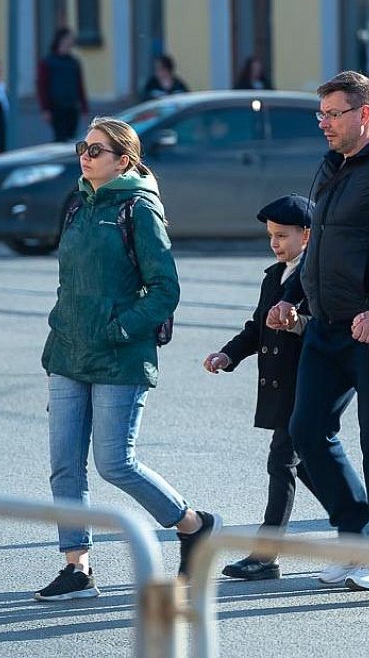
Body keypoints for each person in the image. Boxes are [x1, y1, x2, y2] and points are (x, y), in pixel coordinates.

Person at [35, 117, 220, 601]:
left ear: (124, 161)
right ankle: (77, 567)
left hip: (120, 355)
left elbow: (165, 290)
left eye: (97, 150)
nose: (85, 155)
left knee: (115, 462)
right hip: (68, 352)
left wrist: (118, 329)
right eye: (83, 146)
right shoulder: (78, 204)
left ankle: (193, 524)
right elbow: (71, 281)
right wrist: (60, 329)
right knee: (64, 465)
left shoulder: (139, 208)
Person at [266, 71, 369, 591]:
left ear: (365, 114)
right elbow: (319, 245)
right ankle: (356, 532)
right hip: (327, 324)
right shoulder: (332, 164)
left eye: (333, 114)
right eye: (322, 115)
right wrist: (291, 296)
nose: (324, 124)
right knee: (306, 431)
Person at [203, 194, 319, 581]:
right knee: (308, 465)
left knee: (282, 461)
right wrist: (228, 354)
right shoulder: (275, 275)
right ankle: (360, 521)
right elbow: (257, 327)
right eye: (271, 235)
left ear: (307, 235)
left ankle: (266, 554)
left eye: (282, 236)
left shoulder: (317, 275)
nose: (274, 243)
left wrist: (296, 322)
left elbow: (325, 328)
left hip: (306, 384)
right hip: (281, 385)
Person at [37, 27, 88, 142]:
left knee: (72, 137)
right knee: (60, 138)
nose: (70, 43)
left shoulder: (74, 62)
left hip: (72, 107)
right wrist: (45, 109)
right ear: (60, 41)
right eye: (67, 39)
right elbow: (42, 87)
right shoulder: (48, 62)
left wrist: (84, 107)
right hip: (57, 107)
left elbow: (79, 85)